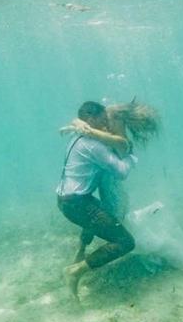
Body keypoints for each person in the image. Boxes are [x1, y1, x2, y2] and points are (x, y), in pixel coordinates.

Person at [57, 101, 138, 300]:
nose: (105, 126)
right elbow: (121, 172)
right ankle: (74, 272)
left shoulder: (79, 136)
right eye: (102, 121)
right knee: (125, 242)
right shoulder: (92, 144)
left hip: (69, 200)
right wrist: (131, 157)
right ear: (91, 120)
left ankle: (80, 252)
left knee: (96, 217)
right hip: (77, 204)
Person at [60, 100, 160, 262]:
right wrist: (79, 123)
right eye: (104, 119)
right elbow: (88, 121)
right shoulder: (100, 132)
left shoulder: (115, 138)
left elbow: (119, 144)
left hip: (97, 187)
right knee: (112, 227)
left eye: (107, 119)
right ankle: (82, 260)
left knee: (105, 218)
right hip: (89, 192)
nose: (105, 122)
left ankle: (82, 253)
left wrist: (84, 127)